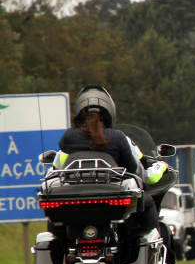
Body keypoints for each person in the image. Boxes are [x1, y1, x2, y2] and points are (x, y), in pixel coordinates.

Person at [52, 86, 167, 239]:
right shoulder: (118, 137)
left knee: (55, 211)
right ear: (109, 114)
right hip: (113, 198)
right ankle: (153, 243)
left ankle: (61, 243)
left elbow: (59, 162)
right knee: (147, 201)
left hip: (73, 198)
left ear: (79, 114)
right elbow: (133, 169)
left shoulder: (69, 136)